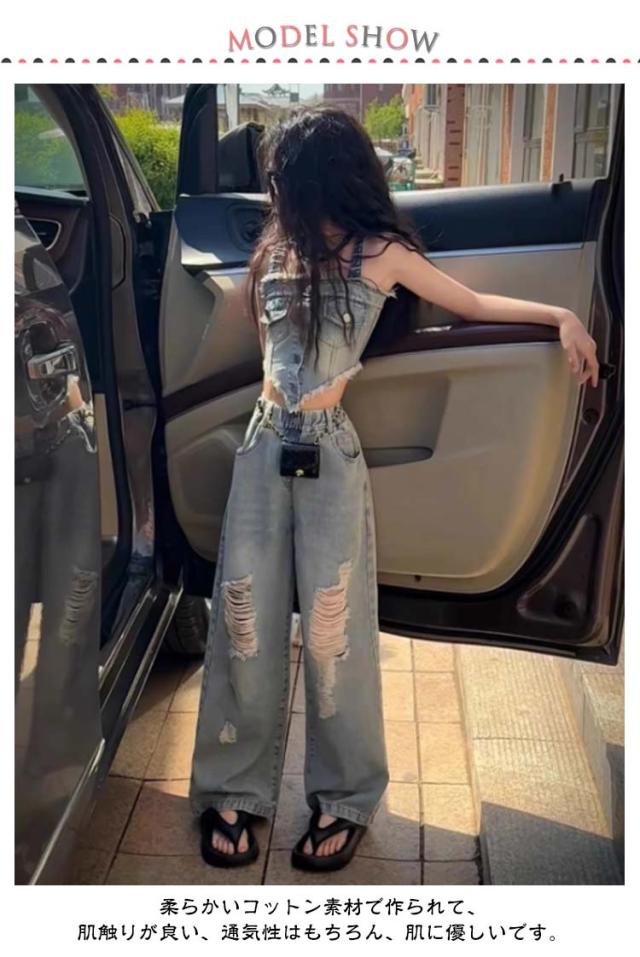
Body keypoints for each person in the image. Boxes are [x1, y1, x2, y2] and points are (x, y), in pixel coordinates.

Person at [188, 106, 599, 873]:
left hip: (329, 454)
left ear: (319, 177)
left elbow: (471, 305)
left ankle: (343, 799)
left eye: (284, 175)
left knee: (335, 633)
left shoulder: (382, 253)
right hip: (262, 446)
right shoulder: (275, 249)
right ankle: (233, 789)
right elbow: (268, 347)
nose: (276, 188)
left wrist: (562, 316)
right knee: (244, 619)